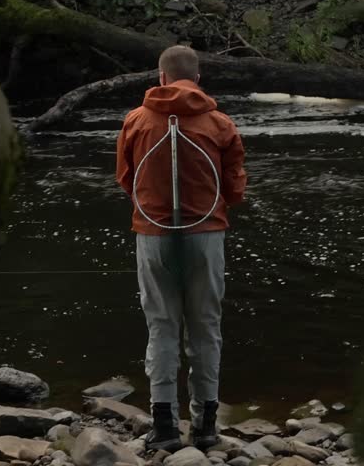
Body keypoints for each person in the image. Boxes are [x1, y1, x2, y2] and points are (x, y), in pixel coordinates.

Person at [116, 45, 247, 452]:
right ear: (198, 79)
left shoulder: (135, 121)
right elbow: (235, 188)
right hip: (206, 235)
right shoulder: (221, 124)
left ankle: (165, 425)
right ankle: (206, 426)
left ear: (160, 78)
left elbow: (126, 179)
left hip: (152, 235)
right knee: (206, 327)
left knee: (162, 327)